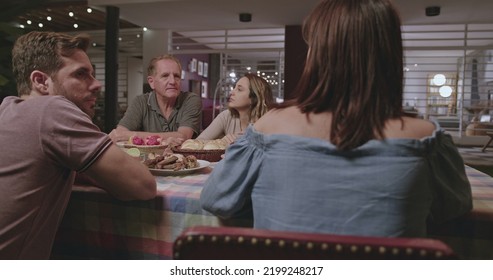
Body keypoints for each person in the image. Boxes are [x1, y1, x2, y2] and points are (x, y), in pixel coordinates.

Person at [201, 0, 472, 238]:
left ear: (317, 55)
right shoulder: (426, 139)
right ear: (391, 56)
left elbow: (216, 200)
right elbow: (453, 210)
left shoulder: (269, 127)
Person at [0, 31, 156, 259]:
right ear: (41, 81)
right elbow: (142, 186)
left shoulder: (6, 109)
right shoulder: (52, 110)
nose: (96, 84)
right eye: (81, 74)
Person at [109, 55, 202, 143]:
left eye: (176, 76)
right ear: (151, 82)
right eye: (165, 76)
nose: (173, 81)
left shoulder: (190, 100)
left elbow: (183, 136)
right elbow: (119, 134)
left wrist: (133, 135)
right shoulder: (141, 102)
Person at [196, 73, 274, 146]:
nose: (231, 92)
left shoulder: (270, 123)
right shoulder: (226, 116)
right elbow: (196, 143)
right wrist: (221, 142)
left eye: (239, 89)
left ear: (254, 98)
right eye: (234, 88)